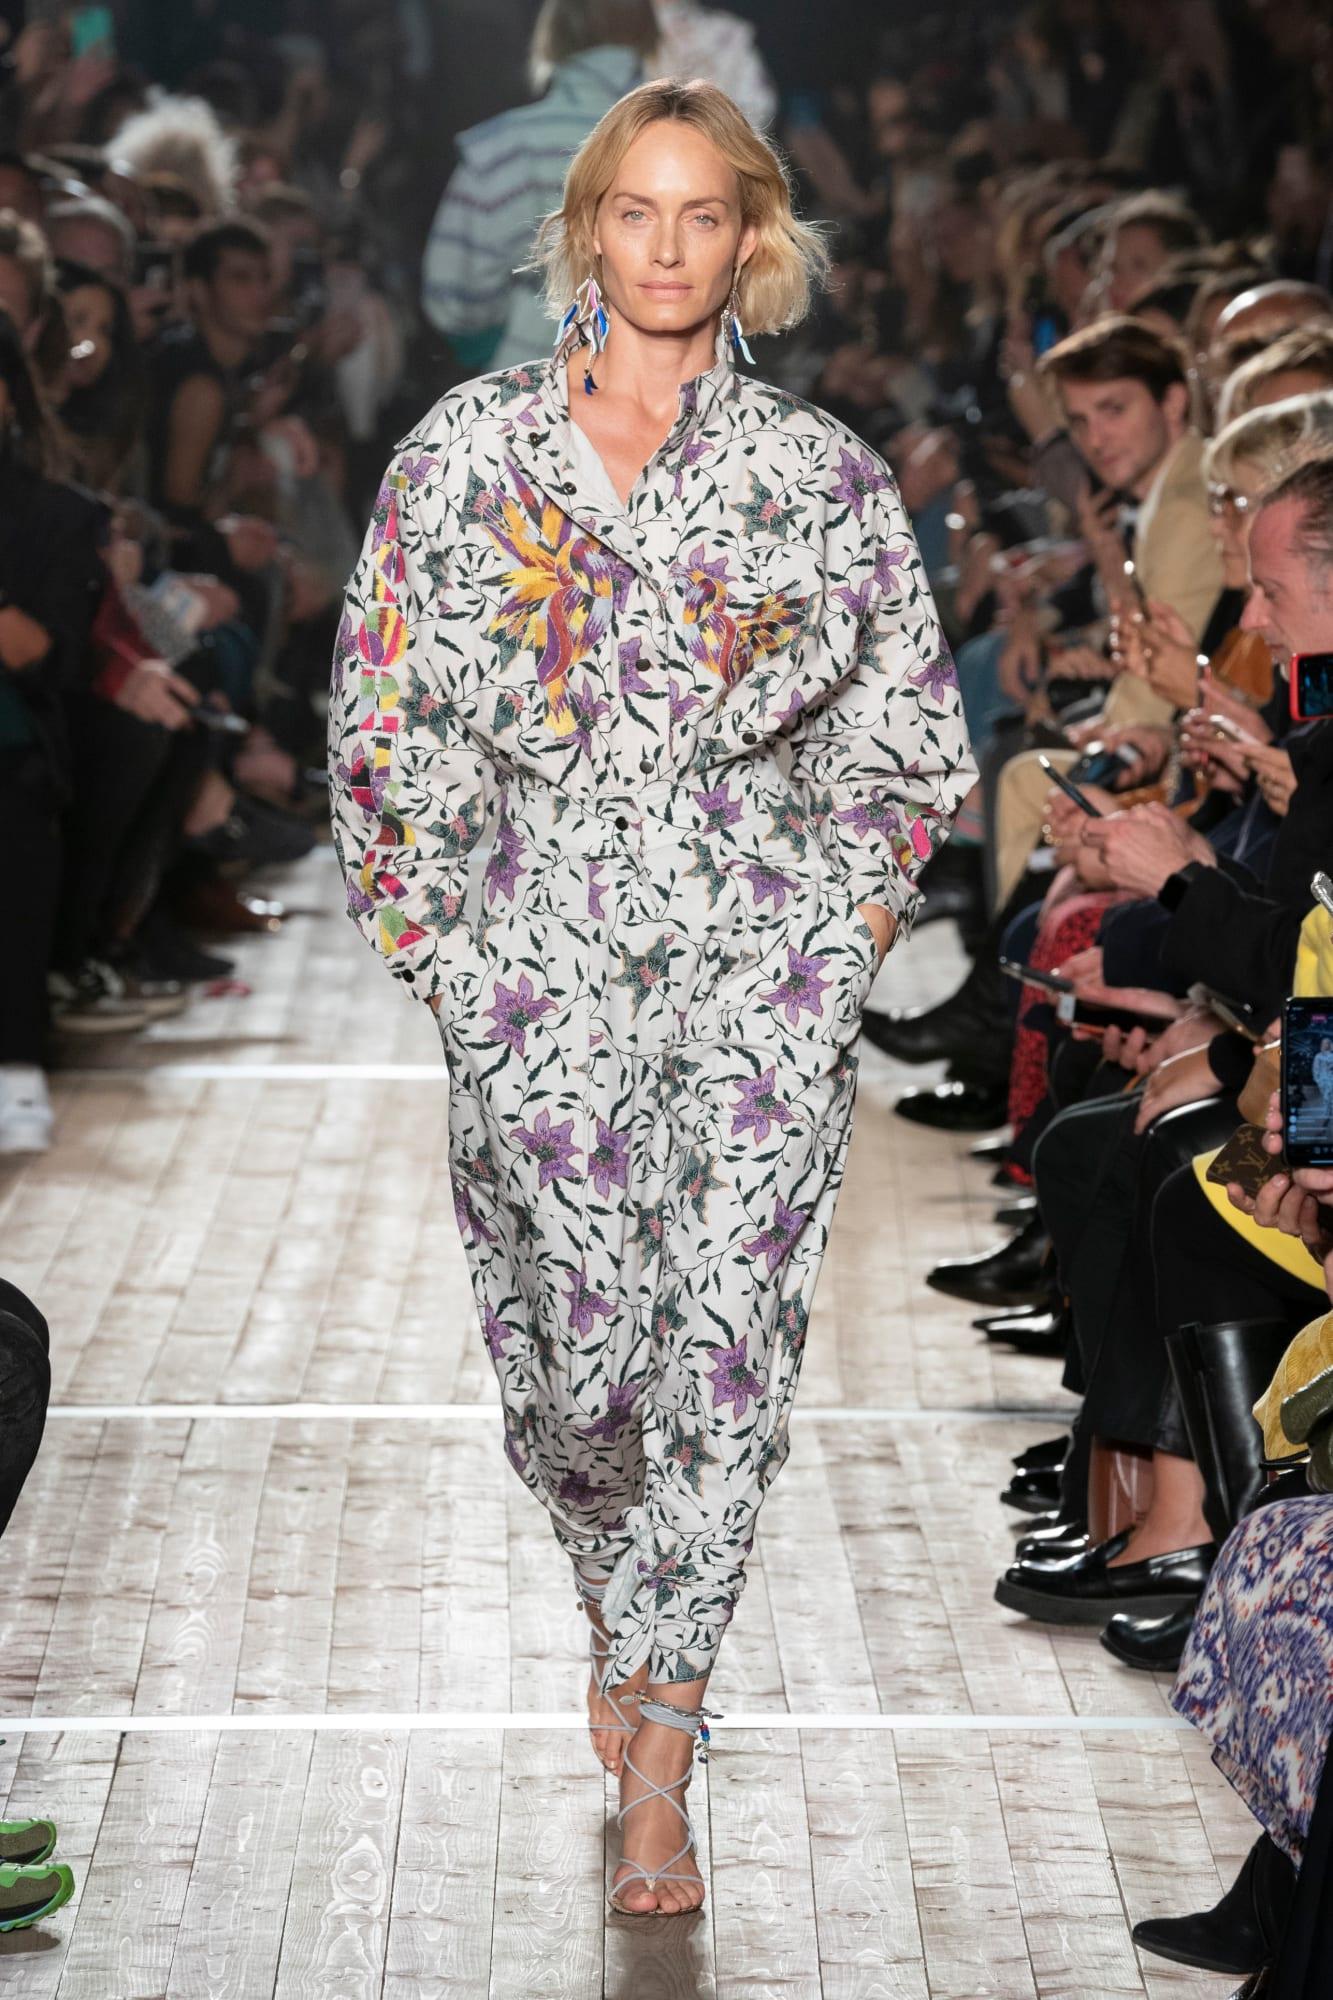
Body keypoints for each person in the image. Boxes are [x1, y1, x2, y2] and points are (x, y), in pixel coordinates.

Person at [330, 76, 973, 1917]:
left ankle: (667, 1746)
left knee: (725, 1351)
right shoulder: (467, 455)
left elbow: (904, 738)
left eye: (703, 214)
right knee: (579, 1373)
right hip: (530, 978)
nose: (668, 247)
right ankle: (621, 1608)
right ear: (587, 228)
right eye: (636, 211)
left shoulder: (819, 477)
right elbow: (382, 715)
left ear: (749, 238)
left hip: (757, 987)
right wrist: (446, 956)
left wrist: (837, 947)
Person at [420, 0, 658, 373]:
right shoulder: (684, 146)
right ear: (648, 31)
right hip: (662, 382)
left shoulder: (505, 148)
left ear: (553, 32)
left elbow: (455, 293)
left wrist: (516, 323)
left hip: (531, 377)